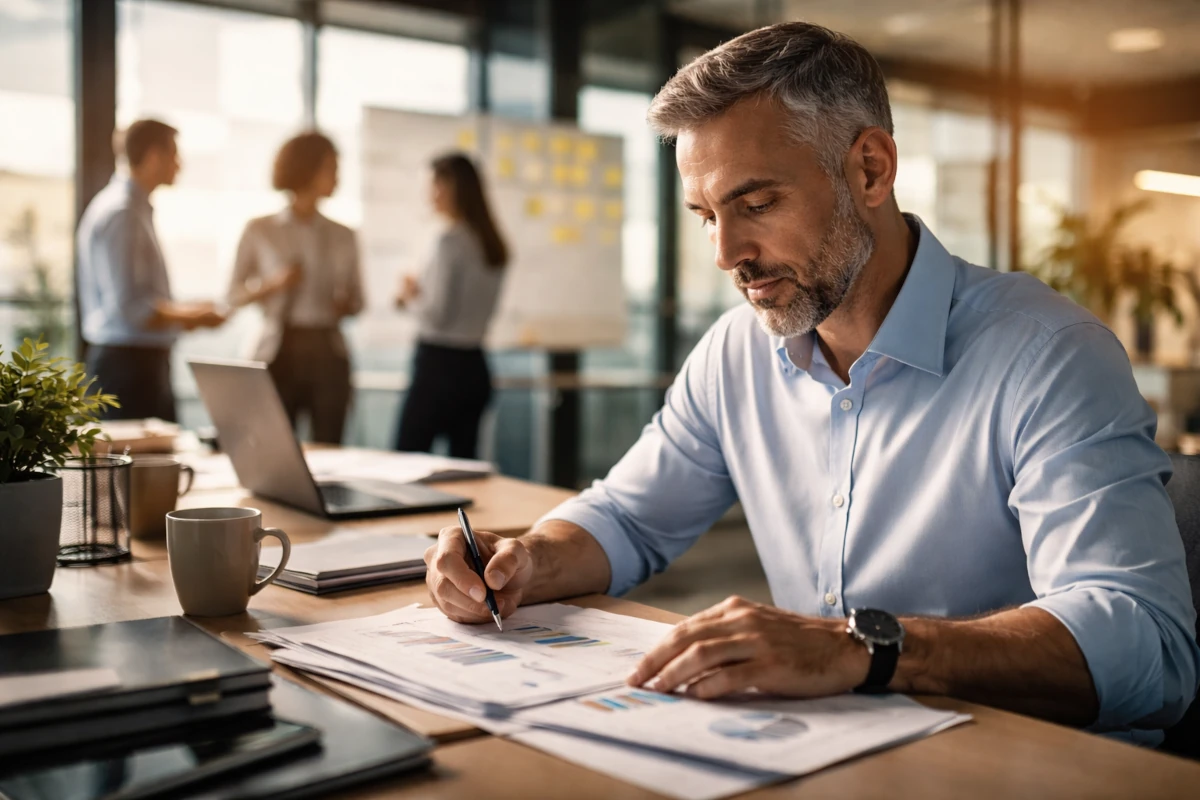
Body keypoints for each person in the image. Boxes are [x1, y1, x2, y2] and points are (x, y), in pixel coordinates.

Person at [423, 22, 1199, 742]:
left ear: (870, 168)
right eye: (704, 215)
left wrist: (860, 648)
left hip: (1028, 763)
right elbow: (629, 517)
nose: (727, 253)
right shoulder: (736, 352)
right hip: (827, 750)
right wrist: (527, 559)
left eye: (756, 203)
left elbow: (1148, 647)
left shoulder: (1048, 354)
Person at [77, 119, 226, 421]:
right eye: (175, 155)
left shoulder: (132, 209)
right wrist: (192, 316)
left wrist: (186, 313)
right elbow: (132, 307)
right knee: (135, 463)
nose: (180, 165)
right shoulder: (122, 213)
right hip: (127, 368)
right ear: (155, 156)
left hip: (136, 363)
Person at [227, 132, 364, 445]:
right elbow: (232, 295)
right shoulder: (260, 229)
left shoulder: (344, 235)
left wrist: (347, 305)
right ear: (307, 169)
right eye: (331, 167)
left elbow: (359, 301)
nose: (338, 176)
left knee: (330, 447)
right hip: (279, 348)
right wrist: (273, 284)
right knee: (274, 447)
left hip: (328, 349)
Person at [394, 152, 508, 459]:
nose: (429, 194)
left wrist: (408, 297)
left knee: (407, 461)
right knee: (464, 468)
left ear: (452, 187)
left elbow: (437, 315)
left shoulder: (449, 241)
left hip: (438, 365)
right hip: (475, 365)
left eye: (434, 185)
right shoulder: (491, 242)